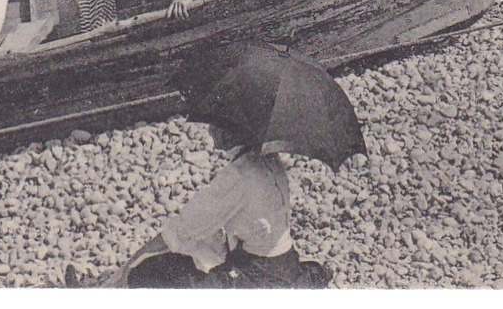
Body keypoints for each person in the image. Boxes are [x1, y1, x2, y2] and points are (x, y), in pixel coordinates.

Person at [97, 118, 329, 289]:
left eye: (216, 123)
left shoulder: (238, 175)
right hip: (284, 262)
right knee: (200, 252)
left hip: (260, 275)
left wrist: (127, 267)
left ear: (231, 132)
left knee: (148, 274)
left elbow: (181, 229)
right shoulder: (270, 159)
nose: (209, 128)